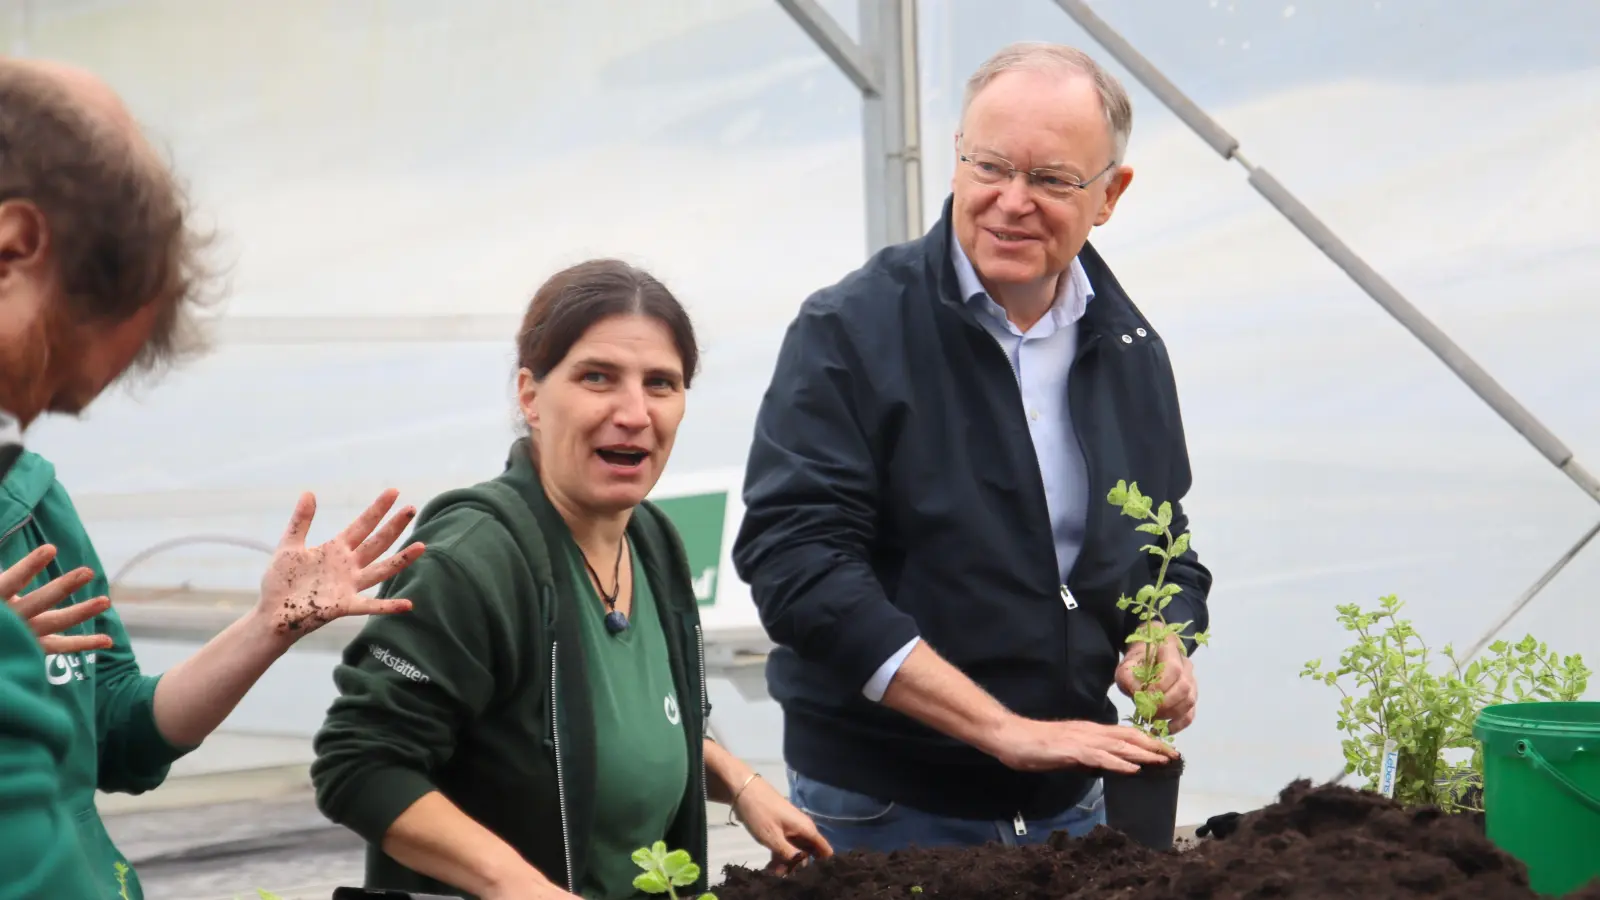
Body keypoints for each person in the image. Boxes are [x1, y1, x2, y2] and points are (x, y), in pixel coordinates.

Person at [731, 41, 1213, 853]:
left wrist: (1163, 631)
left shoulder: (1129, 349)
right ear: (957, 157)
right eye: (989, 167)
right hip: (886, 807)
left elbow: (1164, 546)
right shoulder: (851, 332)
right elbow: (798, 565)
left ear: (1110, 194)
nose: (1011, 202)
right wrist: (1001, 729)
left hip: (1070, 799)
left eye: (1051, 179)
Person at [0, 55, 427, 899]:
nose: (23, 430)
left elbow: (116, 733)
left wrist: (267, 627)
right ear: (14, 245)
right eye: (27, 389)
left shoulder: (32, 497)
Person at [311, 259, 831, 900]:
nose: (634, 412)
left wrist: (741, 784)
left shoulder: (653, 542)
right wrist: (517, 886)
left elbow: (630, 727)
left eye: (661, 383)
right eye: (597, 377)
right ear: (530, 397)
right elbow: (361, 763)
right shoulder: (473, 562)